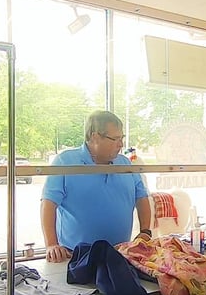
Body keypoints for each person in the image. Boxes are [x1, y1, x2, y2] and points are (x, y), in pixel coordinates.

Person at [41, 110, 152, 263]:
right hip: (75, 257)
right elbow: (48, 204)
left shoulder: (125, 164)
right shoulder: (65, 162)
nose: (120, 144)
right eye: (115, 139)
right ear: (95, 137)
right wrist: (51, 244)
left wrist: (145, 231)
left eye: (122, 138)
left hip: (119, 255)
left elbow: (141, 198)